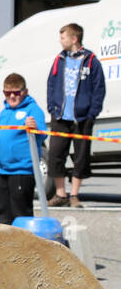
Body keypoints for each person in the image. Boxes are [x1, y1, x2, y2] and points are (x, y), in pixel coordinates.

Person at [45, 22, 106, 208]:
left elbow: (99, 88)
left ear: (74, 39)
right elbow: (51, 83)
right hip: (61, 116)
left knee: (81, 156)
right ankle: (60, 193)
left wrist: (92, 113)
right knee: (55, 154)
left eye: (63, 37)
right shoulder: (60, 59)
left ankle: (74, 195)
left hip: (82, 117)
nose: (60, 41)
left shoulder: (91, 60)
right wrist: (52, 107)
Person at [0, 73, 47, 225]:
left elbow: (42, 135)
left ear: (24, 92)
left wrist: (34, 128)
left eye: (16, 93)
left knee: (21, 215)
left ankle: (23, 248)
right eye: (8, 93)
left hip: (22, 171)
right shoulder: (4, 112)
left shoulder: (33, 110)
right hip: (2, 171)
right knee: (1, 214)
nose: (12, 96)